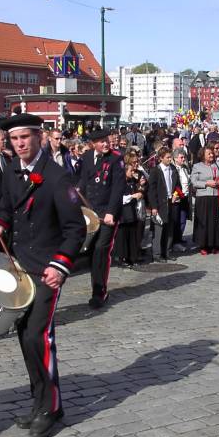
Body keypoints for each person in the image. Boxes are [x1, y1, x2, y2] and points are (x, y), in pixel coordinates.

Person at [0, 114, 85, 437]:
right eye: (14, 140)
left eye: (25, 137)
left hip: (47, 269)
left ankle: (52, 406)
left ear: (39, 137)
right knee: (24, 335)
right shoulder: (13, 172)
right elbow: (4, 207)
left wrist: (60, 265)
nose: (20, 144)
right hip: (19, 268)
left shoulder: (57, 177)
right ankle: (39, 401)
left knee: (38, 337)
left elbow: (75, 228)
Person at [77, 128, 125, 308]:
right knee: (91, 252)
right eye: (101, 141)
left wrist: (111, 212)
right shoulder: (87, 157)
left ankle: (100, 292)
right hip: (90, 212)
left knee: (101, 250)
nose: (106, 144)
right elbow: (83, 180)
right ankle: (96, 285)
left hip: (107, 214)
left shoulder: (116, 158)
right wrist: (77, 191)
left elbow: (118, 188)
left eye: (107, 140)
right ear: (93, 144)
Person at [147, 147, 181, 263]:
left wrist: (176, 194)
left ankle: (167, 251)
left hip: (171, 202)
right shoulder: (155, 171)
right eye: (167, 157)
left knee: (169, 229)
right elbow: (151, 190)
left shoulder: (173, 169)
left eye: (170, 157)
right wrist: (154, 207)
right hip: (160, 203)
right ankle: (157, 254)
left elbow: (177, 185)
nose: (170, 159)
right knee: (159, 230)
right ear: (161, 158)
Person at [190, 144, 219, 255]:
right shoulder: (197, 166)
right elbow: (194, 182)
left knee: (214, 221)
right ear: (203, 155)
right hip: (203, 196)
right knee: (204, 221)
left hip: (215, 196)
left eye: (212, 153)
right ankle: (203, 245)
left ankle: (215, 244)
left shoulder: (218, 165)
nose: (211, 155)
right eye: (208, 153)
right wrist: (206, 183)